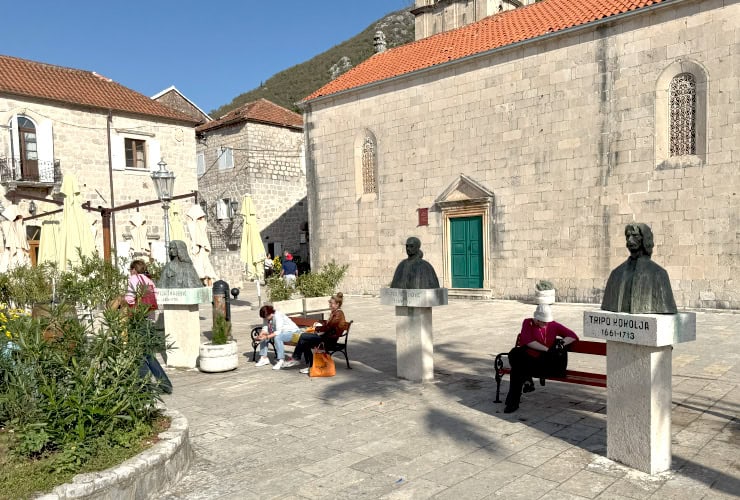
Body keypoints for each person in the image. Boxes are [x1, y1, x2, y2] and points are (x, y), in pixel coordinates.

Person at [503, 304, 579, 414]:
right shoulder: (527, 323)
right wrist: (547, 349)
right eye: (543, 321)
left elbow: (572, 335)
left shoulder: (553, 325)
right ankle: (517, 394)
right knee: (515, 356)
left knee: (517, 369)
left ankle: (513, 400)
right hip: (530, 358)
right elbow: (528, 341)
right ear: (537, 319)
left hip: (543, 362)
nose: (546, 323)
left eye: (547, 321)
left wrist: (562, 343)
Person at [601, 223, 677, 314]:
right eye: (628, 236)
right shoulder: (616, 274)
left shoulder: (659, 274)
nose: (630, 239)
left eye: (635, 235)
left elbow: (667, 306)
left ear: (645, 239)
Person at [126, 260, 172, 394]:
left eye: (130, 269)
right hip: (149, 319)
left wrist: (121, 300)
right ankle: (165, 384)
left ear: (134, 269)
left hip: (138, 319)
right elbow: (155, 298)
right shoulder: (149, 280)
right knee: (148, 354)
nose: (130, 272)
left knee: (139, 353)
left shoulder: (134, 278)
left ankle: (143, 387)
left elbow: (130, 298)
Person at [284, 292, 348, 374]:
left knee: (303, 336)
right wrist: (317, 330)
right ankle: (310, 365)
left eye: (331, 303)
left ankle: (296, 358)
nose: (329, 305)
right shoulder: (335, 313)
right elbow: (327, 327)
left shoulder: (338, 314)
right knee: (304, 341)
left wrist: (317, 329)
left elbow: (329, 327)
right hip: (325, 337)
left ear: (337, 304)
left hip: (328, 340)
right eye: (329, 303)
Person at [254, 305, 302, 370]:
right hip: (281, 333)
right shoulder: (267, 316)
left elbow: (278, 332)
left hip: (294, 333)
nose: (266, 319)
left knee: (277, 338)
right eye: (264, 317)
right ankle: (264, 358)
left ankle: (281, 360)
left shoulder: (278, 316)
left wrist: (267, 336)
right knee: (264, 336)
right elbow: (265, 327)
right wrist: (261, 334)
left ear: (271, 313)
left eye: (266, 317)